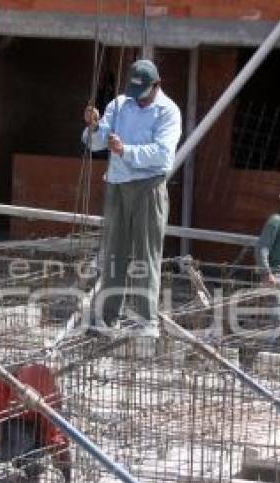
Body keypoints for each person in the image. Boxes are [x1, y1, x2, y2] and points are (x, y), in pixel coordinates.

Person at [82, 59, 182, 338]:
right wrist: (92, 127)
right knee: (114, 253)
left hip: (148, 187)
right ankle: (106, 317)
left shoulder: (168, 111)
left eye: (143, 93)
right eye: (134, 92)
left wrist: (127, 150)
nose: (137, 99)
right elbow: (96, 142)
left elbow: (164, 155)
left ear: (156, 85)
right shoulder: (119, 104)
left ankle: (145, 321)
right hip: (116, 185)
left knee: (146, 254)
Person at [0, 364, 71, 483]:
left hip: (30, 430)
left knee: (42, 443)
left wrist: (61, 456)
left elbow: (54, 430)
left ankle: (26, 463)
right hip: (3, 428)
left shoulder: (50, 398)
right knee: (21, 438)